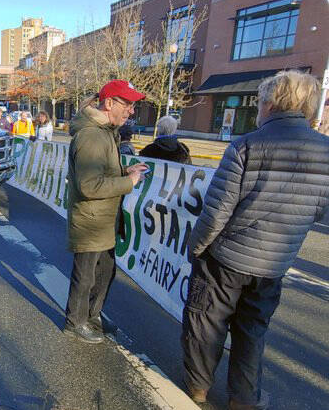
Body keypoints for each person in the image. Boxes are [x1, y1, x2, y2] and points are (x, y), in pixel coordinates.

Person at [182, 70, 329, 409]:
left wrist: (197, 247)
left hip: (227, 259)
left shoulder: (247, 145)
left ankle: (198, 388)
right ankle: (243, 399)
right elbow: (319, 211)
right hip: (275, 263)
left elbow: (216, 211)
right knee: (252, 332)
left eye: (261, 103)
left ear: (271, 104)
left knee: (206, 323)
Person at [64, 80, 148, 344]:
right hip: (91, 220)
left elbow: (101, 173)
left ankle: (93, 315)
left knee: (105, 272)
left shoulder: (106, 131)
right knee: (86, 276)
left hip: (103, 218)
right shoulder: (91, 135)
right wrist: (129, 182)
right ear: (109, 103)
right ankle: (75, 321)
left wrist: (126, 172)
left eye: (133, 105)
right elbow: (89, 185)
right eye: (128, 104)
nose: (132, 111)